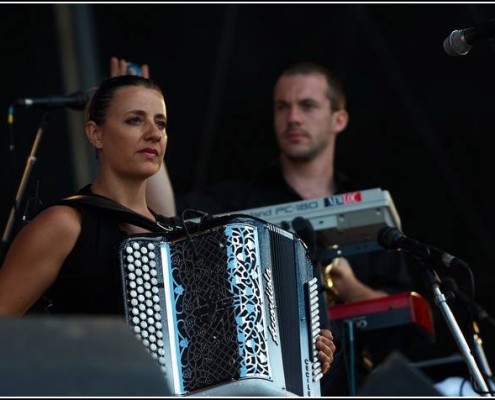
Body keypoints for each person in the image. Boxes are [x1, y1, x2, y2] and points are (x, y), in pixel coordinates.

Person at [0, 73, 335, 388]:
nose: (153, 133)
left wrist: (305, 350)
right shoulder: (65, 223)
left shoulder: (179, 238)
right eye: (134, 120)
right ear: (95, 133)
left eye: (161, 124)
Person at [116, 58, 416, 394]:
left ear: (339, 119)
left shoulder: (369, 215)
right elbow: (165, 216)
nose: (293, 118)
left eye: (307, 106)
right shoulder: (242, 200)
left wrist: (347, 285)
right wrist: (136, 127)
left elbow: (408, 327)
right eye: (282, 107)